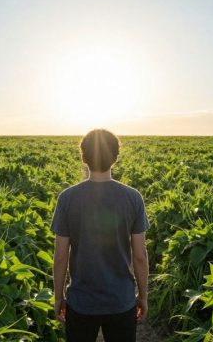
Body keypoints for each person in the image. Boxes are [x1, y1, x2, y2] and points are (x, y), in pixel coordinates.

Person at [51, 129, 149, 342]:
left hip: (81, 301)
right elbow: (140, 255)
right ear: (116, 157)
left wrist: (59, 297)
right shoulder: (133, 198)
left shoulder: (67, 198)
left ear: (83, 157)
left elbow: (60, 257)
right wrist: (143, 296)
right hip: (121, 300)